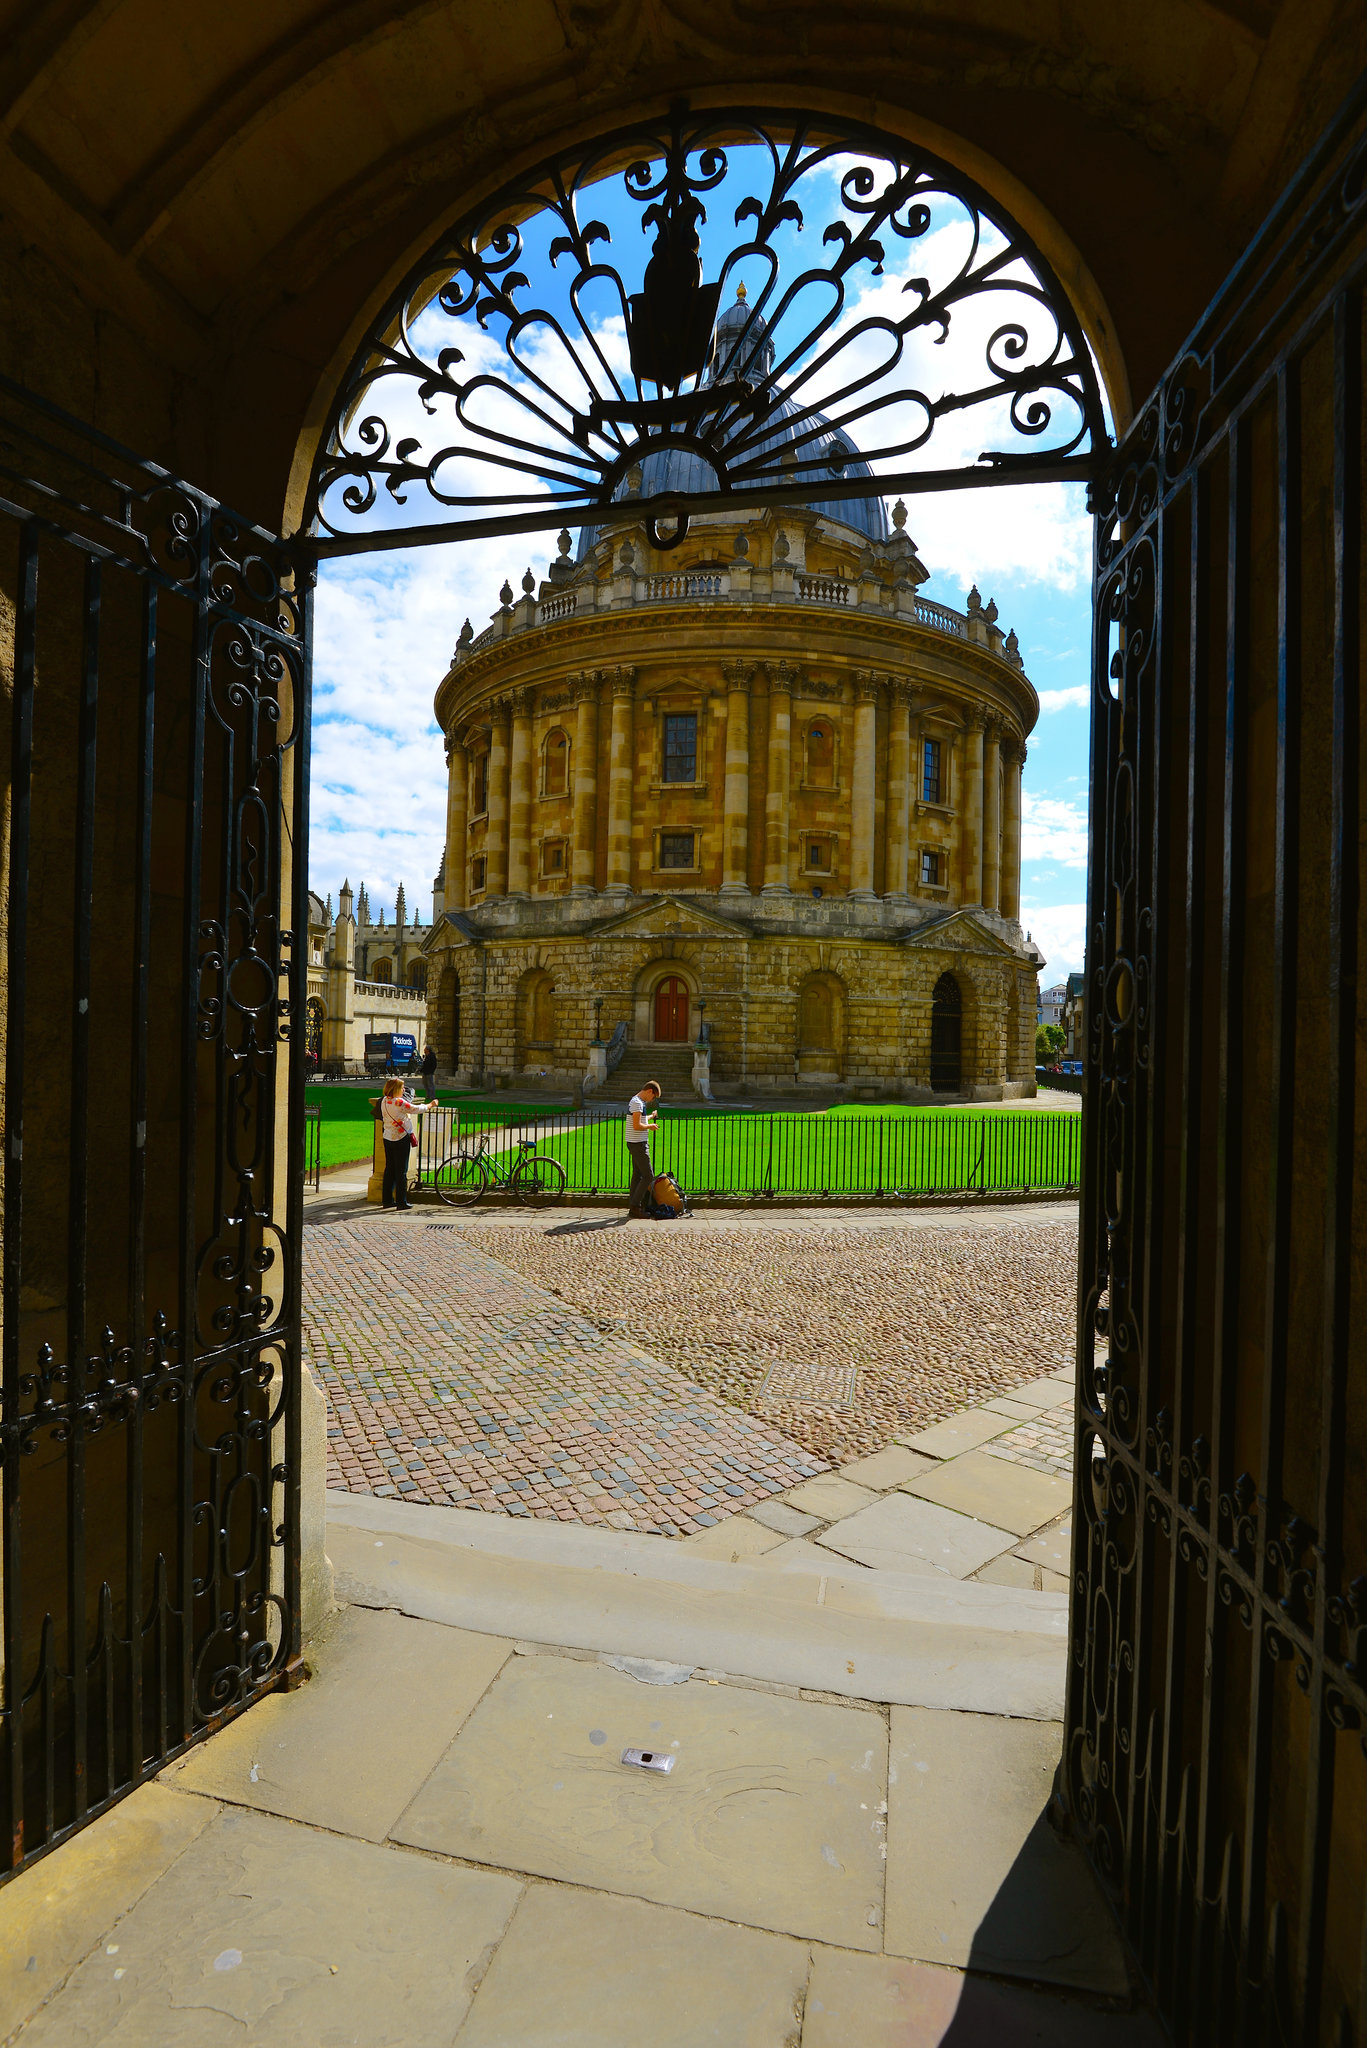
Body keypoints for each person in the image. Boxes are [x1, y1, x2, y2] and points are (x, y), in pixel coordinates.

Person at [379, 1076, 433, 1210]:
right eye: (402, 1087)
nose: (404, 1090)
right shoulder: (399, 1102)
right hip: (400, 1138)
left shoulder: (384, 1101)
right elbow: (416, 1108)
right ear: (396, 1089)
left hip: (387, 1137)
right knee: (401, 1171)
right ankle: (401, 1202)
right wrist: (431, 1104)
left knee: (389, 1169)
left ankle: (387, 1200)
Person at [625, 1081, 661, 1219]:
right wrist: (650, 1126)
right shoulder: (637, 1103)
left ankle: (634, 1206)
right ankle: (635, 1206)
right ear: (649, 1091)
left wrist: (651, 1116)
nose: (652, 1100)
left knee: (638, 1175)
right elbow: (636, 1125)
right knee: (648, 1176)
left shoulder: (637, 1101)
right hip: (638, 1143)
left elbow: (640, 1119)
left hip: (635, 1143)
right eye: (654, 1097)